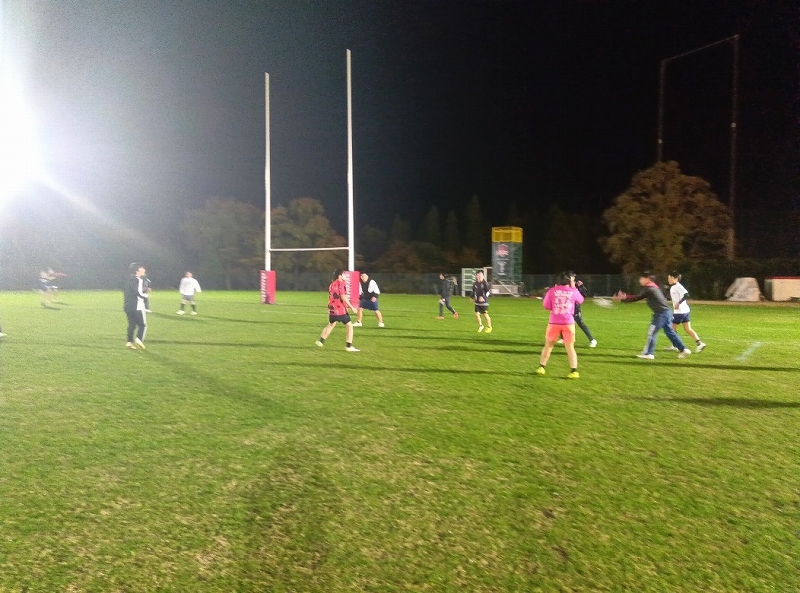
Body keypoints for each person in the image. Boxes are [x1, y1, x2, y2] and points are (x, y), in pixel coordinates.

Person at [613, 272, 691, 359]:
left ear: (648, 279)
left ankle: (649, 354)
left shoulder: (649, 288)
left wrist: (622, 299)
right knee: (670, 333)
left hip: (661, 314)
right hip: (667, 312)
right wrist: (626, 297)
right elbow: (639, 296)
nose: (640, 280)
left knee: (652, 332)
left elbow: (637, 297)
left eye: (641, 278)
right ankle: (684, 349)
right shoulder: (653, 287)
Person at [535, 271, 584, 379]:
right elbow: (580, 300)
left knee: (548, 345)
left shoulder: (552, 291)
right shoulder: (572, 291)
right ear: (569, 281)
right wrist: (573, 287)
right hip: (568, 323)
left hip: (554, 322)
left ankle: (541, 367)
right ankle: (574, 371)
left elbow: (546, 306)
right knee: (570, 347)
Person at [316, 269, 360, 351]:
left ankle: (320, 341)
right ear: (340, 276)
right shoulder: (341, 283)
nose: (345, 276)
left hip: (332, 310)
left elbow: (331, 297)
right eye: (344, 274)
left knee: (331, 324)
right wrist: (351, 306)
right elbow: (343, 296)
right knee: (349, 326)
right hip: (340, 310)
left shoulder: (332, 284)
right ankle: (348, 346)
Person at [667, 271, 706, 353]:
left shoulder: (678, 286)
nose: (668, 279)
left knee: (671, 329)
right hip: (685, 311)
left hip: (680, 312)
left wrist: (678, 303)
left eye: (669, 278)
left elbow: (686, 295)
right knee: (688, 329)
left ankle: (675, 345)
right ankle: (700, 344)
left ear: (675, 278)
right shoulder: (674, 287)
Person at [124, 263, 148, 349]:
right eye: (142, 269)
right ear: (137, 271)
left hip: (128, 305)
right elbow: (138, 292)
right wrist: (146, 296)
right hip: (137, 306)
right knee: (142, 325)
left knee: (132, 324)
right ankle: (139, 339)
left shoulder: (128, 279)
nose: (144, 270)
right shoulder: (138, 280)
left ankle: (129, 342)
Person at [569, 271, 597, 347]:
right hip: (567, 308)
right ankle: (563, 338)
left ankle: (592, 340)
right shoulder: (565, 285)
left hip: (575, 308)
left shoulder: (577, 285)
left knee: (581, 324)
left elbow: (584, 294)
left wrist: (582, 287)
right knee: (563, 322)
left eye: (572, 277)